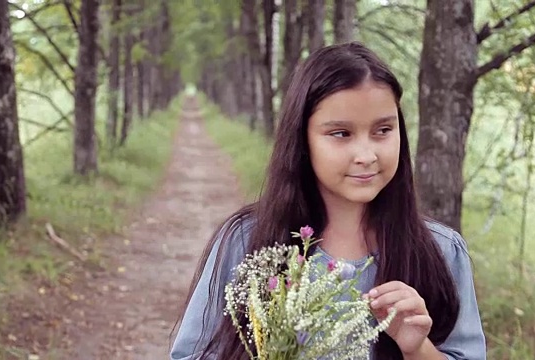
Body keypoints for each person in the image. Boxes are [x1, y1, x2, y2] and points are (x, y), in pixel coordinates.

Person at [170, 42, 486, 360]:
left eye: (383, 130)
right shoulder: (248, 241)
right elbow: (190, 354)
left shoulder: (441, 251)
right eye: (341, 134)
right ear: (303, 139)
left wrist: (417, 347)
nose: (366, 155)